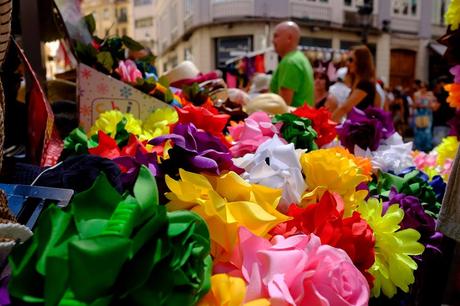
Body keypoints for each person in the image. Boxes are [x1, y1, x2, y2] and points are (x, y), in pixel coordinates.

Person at [270, 21, 314, 107]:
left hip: (292, 119)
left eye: (276, 36)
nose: (273, 41)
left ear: (289, 38)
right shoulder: (300, 58)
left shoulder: (290, 62)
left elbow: (282, 106)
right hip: (303, 118)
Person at [331, 45, 380, 122]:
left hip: (361, 131)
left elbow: (344, 108)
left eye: (351, 60)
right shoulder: (359, 83)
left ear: (361, 61)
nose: (347, 63)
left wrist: (328, 124)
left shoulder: (365, 84)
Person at [432, 76, 455, 146]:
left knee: (438, 144)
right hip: (450, 123)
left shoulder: (441, 96)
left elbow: (435, 108)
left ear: (442, 84)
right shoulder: (453, 95)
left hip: (440, 123)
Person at [412, 82, 436, 152]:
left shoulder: (430, 95)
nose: (423, 89)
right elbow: (413, 105)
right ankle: (418, 147)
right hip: (419, 114)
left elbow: (434, 106)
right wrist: (418, 105)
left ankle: (427, 147)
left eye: (424, 87)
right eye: (421, 87)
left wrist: (427, 105)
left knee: (427, 131)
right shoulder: (416, 94)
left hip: (427, 114)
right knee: (418, 131)